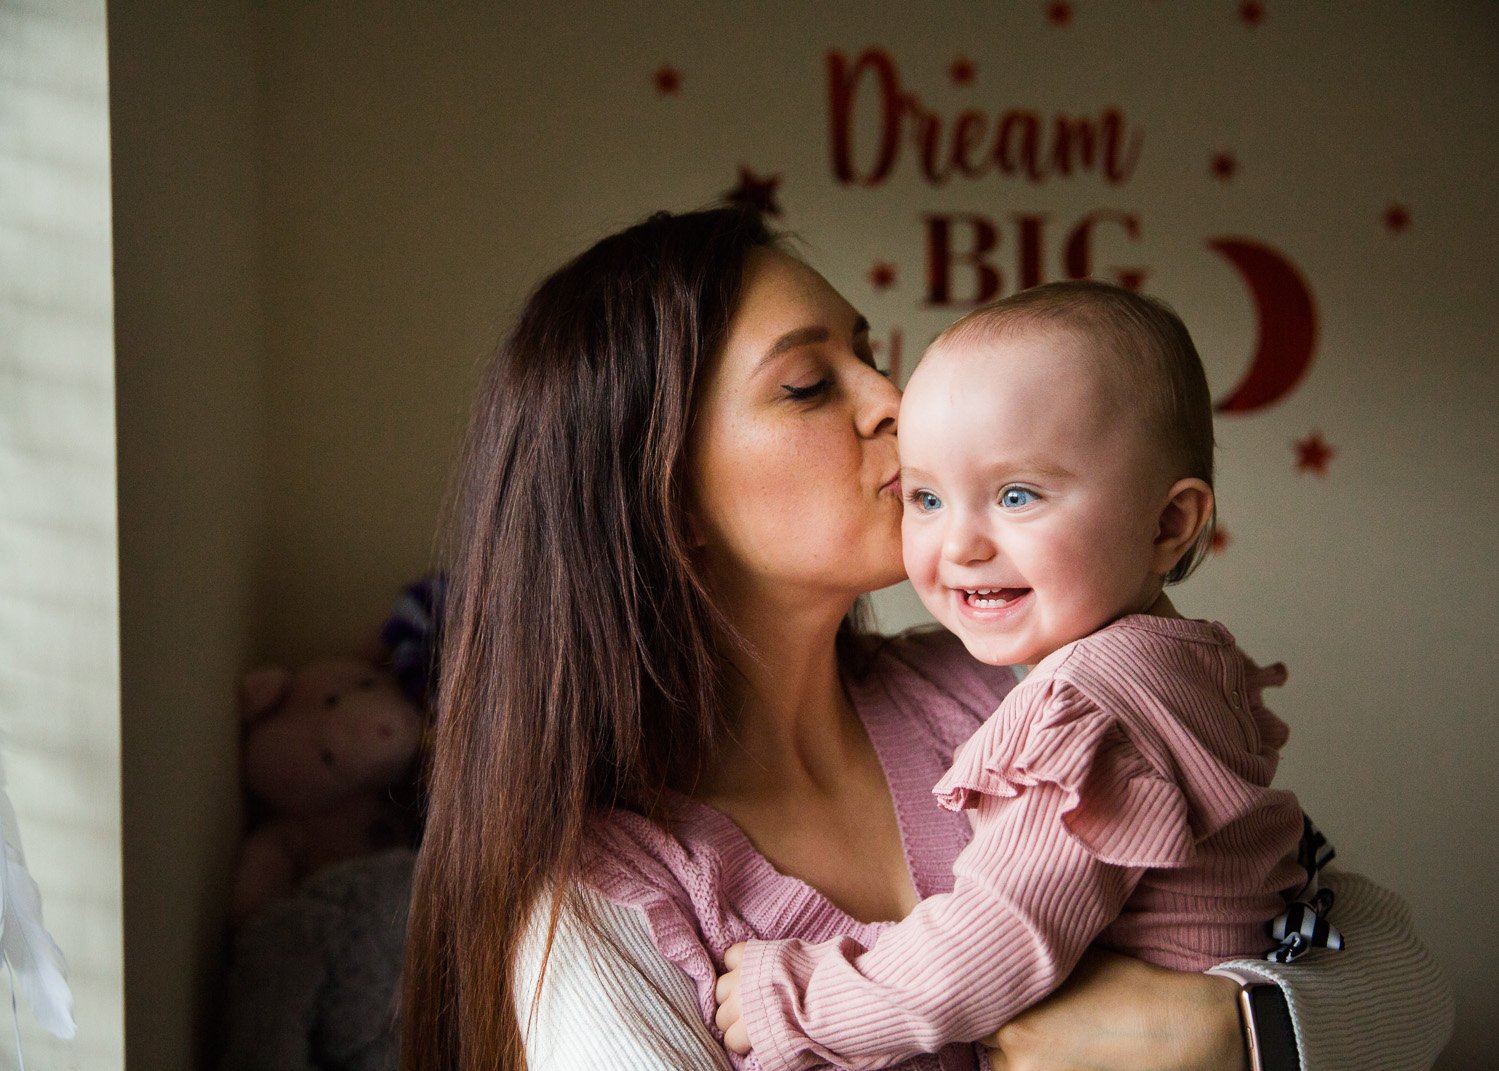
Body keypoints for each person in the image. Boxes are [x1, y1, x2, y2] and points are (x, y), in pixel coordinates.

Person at [400, 207, 1453, 1071]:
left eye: (868, 354)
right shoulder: (599, 897)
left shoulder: (1021, 693)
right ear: (662, 497)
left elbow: (1404, 985)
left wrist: (1215, 1033)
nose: (894, 405)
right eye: (811, 384)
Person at [712, 282, 1345, 1070]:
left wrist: (799, 998)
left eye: (1016, 494)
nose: (962, 543)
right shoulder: (1182, 660)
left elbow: (996, 942)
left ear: (1168, 523)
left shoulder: (1087, 708)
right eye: (927, 497)